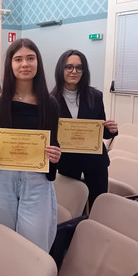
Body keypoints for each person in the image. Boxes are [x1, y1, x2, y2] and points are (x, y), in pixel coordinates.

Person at [0, 38, 61, 252]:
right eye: (18, 59)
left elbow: (54, 143)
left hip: (36, 181)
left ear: (38, 63)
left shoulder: (50, 104)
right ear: (10, 64)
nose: (25, 64)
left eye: (30, 58)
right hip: (1, 180)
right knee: (4, 241)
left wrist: (55, 154)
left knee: (34, 246)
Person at [51, 49, 118, 209]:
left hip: (95, 162)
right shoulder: (50, 100)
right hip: (68, 163)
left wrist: (111, 129)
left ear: (84, 71)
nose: (74, 71)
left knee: (99, 206)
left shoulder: (95, 96)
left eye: (79, 68)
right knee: (71, 207)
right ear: (61, 69)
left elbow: (101, 130)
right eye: (69, 67)